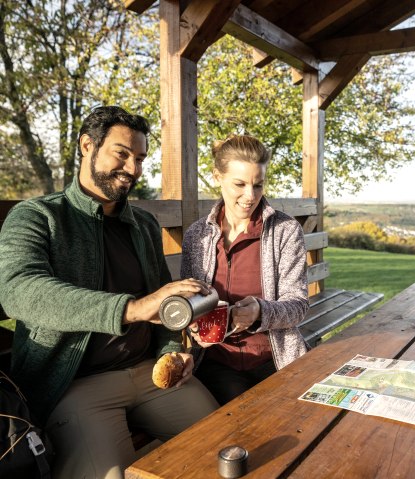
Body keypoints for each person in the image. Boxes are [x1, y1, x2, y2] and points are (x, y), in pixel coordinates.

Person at [0, 106, 218, 479]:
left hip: (150, 374)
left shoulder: (143, 224)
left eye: (139, 158)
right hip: (75, 385)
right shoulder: (37, 216)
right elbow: (20, 291)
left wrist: (172, 352)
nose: (132, 169)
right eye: (122, 153)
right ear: (87, 145)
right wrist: (131, 309)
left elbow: (162, 301)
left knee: (227, 444)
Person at [180, 134, 309, 405]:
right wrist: (194, 329)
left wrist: (260, 312)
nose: (250, 196)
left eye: (258, 185)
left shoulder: (285, 231)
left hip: (275, 357)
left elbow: (298, 306)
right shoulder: (196, 236)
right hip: (217, 361)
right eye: (239, 184)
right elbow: (188, 302)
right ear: (218, 177)